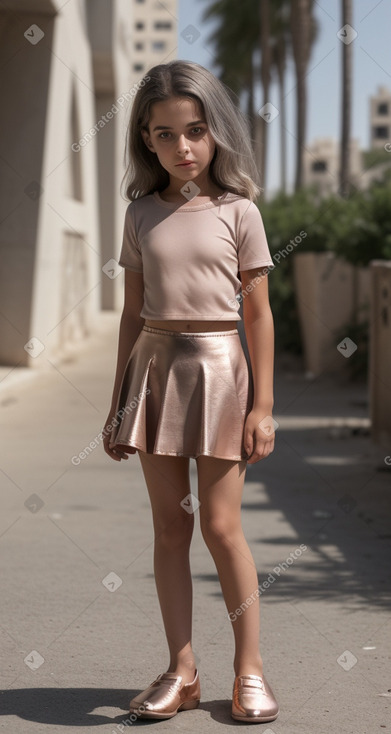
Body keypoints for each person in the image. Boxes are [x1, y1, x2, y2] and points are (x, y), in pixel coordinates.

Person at [103, 59, 279, 724]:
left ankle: (250, 669)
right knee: (169, 526)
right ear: (146, 140)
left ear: (216, 133)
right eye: (165, 133)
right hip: (153, 368)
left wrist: (263, 408)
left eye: (195, 131)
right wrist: (120, 403)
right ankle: (182, 671)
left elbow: (258, 315)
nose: (182, 147)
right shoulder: (139, 215)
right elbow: (130, 312)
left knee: (222, 526)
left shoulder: (240, 212)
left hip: (219, 368)